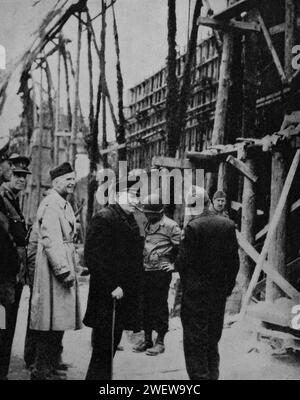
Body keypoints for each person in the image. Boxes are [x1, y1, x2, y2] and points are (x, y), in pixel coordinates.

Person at [176, 187, 239, 380]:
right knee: (212, 339)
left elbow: (182, 264)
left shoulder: (193, 227)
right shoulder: (227, 225)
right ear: (208, 203)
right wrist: (226, 289)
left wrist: (188, 287)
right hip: (218, 294)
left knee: (195, 341)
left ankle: (199, 379)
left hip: (195, 296)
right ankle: (213, 376)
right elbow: (234, 263)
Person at [84, 178, 143, 380]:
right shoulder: (104, 217)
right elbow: (94, 257)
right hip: (107, 295)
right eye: (132, 195)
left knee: (109, 349)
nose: (136, 200)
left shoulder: (128, 219)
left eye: (137, 196)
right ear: (117, 196)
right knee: (102, 349)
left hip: (120, 295)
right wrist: (112, 286)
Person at [29, 162, 82, 380]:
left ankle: (51, 363)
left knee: (57, 320)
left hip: (61, 264)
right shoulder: (52, 204)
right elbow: (51, 240)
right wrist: (63, 270)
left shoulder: (63, 203)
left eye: (73, 179)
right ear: (57, 181)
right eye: (68, 179)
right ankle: (41, 369)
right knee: (48, 321)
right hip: (53, 269)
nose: (72, 183)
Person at [133, 193, 181, 356]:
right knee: (144, 305)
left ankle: (160, 341)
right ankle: (147, 339)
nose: (145, 215)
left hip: (160, 273)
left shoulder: (171, 226)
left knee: (159, 306)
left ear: (157, 213)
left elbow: (181, 250)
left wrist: (174, 266)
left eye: (148, 213)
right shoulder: (147, 224)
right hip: (145, 270)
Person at [0, 156, 31, 380]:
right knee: (2, 327)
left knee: (8, 327)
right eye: (17, 175)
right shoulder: (2, 199)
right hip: (4, 277)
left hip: (13, 276)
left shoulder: (13, 199)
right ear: (7, 173)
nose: (21, 179)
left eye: (24, 176)